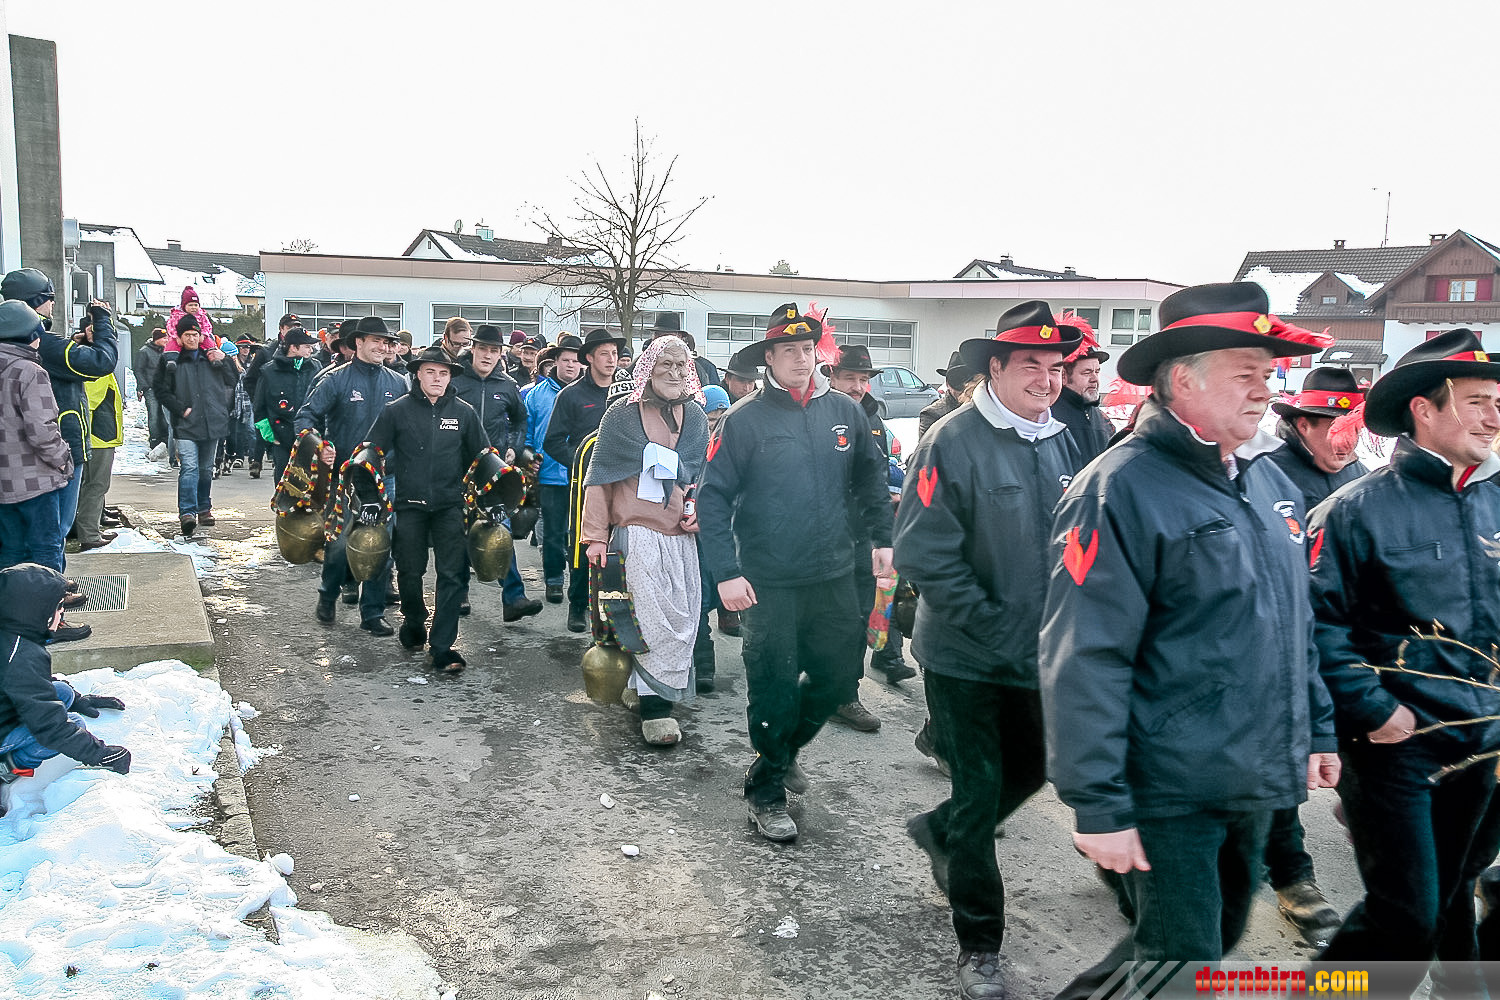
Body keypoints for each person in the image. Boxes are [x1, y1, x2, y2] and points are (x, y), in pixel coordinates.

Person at [1039, 281, 1340, 996]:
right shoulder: (1120, 488)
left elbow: (1292, 623)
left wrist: (1317, 728)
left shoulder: (1265, 483)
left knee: (1208, 938)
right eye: (1245, 372)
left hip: (1248, 773)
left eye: (1268, 372)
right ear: (1181, 380)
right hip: (1167, 784)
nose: (1265, 389)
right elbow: (1085, 655)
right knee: (1184, 960)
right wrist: (1099, 803)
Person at [897, 301, 1084, 1000]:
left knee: (1032, 772)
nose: (1046, 379)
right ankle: (980, 945)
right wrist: (995, 628)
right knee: (979, 794)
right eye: (1031, 364)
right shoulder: (950, 441)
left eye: (1055, 367)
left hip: (1040, 655)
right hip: (965, 658)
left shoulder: (1064, 441)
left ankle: (938, 831)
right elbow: (924, 553)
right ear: (994, 369)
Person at [1310, 329, 1500, 995]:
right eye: (1477, 402)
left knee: (1453, 888)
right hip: (1398, 746)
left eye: (1498, 403)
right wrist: (1374, 709)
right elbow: (1316, 627)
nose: (1494, 418)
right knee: (1405, 919)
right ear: (1424, 409)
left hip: (1486, 743)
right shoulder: (1353, 511)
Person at [698, 303, 892, 842]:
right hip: (768, 579)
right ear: (769, 358)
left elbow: (871, 479)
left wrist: (884, 539)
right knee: (774, 685)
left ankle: (780, 752)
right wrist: (726, 572)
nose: (802, 360)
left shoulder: (845, 411)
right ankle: (766, 791)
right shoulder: (744, 420)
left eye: (808, 349)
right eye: (789, 350)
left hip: (834, 571)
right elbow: (712, 500)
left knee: (836, 680)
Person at [1258, 365, 1369, 943]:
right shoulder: (1268, 477)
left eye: (1353, 428)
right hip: (1287, 649)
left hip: (1350, 651)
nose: (1345, 441)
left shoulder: (1362, 477)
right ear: (1303, 424)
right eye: (1333, 427)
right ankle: (1293, 878)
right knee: (1285, 773)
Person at [581, 335, 709, 744]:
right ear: (648, 368)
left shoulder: (696, 417)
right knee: (647, 621)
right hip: (636, 534)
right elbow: (599, 479)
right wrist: (595, 537)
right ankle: (657, 711)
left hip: (680, 539)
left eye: (681, 365)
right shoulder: (621, 415)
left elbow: (702, 477)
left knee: (682, 619)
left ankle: (644, 689)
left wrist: (700, 509)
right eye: (665, 364)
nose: (674, 372)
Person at [366, 347, 488, 672]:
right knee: (409, 571)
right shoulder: (396, 411)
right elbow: (371, 451)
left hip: (450, 504)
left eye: (443, 373)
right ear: (418, 373)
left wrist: (497, 489)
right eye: (431, 372)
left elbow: (482, 457)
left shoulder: (464, 413)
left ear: (450, 377)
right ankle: (414, 619)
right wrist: (367, 491)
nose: (437, 379)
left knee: (453, 574)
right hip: (409, 505)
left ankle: (442, 647)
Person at [294, 316, 408, 633]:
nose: (382, 347)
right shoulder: (335, 379)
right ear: (358, 342)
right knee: (340, 545)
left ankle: (372, 613)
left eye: (386, 342)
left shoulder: (399, 383)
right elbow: (305, 418)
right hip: (345, 477)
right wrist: (319, 445)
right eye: (376, 341)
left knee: (380, 544)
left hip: (385, 477)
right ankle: (328, 594)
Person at [824, 344, 912, 736]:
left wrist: (883, 535)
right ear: (832, 376)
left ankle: (845, 696)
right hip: (818, 538)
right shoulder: (815, 412)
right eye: (850, 378)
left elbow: (877, 476)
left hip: (861, 538)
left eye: (863, 379)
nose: (858, 387)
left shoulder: (872, 417)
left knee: (858, 618)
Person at [0, 563, 130, 791]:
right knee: (73, 724)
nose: (62, 613)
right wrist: (99, 754)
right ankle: (8, 766)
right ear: (36, 609)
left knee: (63, 692)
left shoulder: (11, 634)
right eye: (59, 606)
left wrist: (77, 699)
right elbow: (51, 728)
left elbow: (25, 682)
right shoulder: (21, 654)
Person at [451, 325, 541, 622]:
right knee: (459, 532)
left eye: (494, 350)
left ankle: (513, 598)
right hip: (458, 468)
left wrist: (514, 447)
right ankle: (459, 593)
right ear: (473, 349)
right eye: (483, 349)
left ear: (500, 353)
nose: (488, 355)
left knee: (500, 529)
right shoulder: (455, 380)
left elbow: (520, 420)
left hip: (494, 471)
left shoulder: (507, 385)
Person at [0, 302, 78, 624]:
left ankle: (12, 622)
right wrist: (63, 460)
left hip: (4, 485)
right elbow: (42, 431)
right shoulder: (30, 371)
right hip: (37, 482)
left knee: (11, 552)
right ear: (30, 335)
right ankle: (49, 620)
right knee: (46, 550)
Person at [544, 328, 624, 633]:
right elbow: (552, 441)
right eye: (604, 354)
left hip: (623, 482)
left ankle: (615, 607)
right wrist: (580, 463)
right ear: (589, 358)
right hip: (585, 486)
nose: (611, 359)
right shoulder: (571, 395)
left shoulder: (627, 392)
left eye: (614, 353)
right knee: (583, 542)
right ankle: (577, 604)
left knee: (619, 543)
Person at [154, 314, 237, 537]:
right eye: (187, 335)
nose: (191, 339)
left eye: (195, 334)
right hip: (186, 424)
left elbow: (232, 380)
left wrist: (226, 360)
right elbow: (160, 389)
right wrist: (180, 409)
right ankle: (187, 512)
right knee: (189, 467)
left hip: (212, 422)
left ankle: (204, 508)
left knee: (206, 469)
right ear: (179, 338)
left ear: (201, 336)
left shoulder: (211, 357)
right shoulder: (171, 360)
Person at [527, 335, 583, 604]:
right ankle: (554, 580)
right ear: (555, 362)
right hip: (550, 473)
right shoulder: (535, 395)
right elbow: (527, 432)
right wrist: (529, 457)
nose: (570, 365)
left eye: (575, 360)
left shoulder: (589, 392)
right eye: (566, 360)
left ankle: (581, 581)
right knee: (552, 532)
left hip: (583, 476)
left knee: (581, 534)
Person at [253, 326, 323, 484]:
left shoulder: (316, 367)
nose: (311, 350)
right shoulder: (269, 371)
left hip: (311, 436)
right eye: (307, 346)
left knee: (310, 483)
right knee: (283, 482)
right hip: (281, 436)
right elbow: (259, 406)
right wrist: (270, 435)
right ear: (293, 347)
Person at [76, 323, 123, 551]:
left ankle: (86, 528)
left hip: (97, 433)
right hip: (98, 435)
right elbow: (89, 401)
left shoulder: (90, 359)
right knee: (96, 484)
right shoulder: (96, 364)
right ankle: (89, 533)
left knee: (89, 484)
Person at [1051, 317, 1114, 466]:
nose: (1094, 379)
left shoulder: (1102, 419)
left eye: (1097, 372)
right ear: (1064, 376)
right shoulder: (1048, 417)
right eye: (1087, 373)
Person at [133, 327, 172, 461]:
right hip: (151, 389)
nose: (166, 340)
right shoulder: (144, 352)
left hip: (165, 389)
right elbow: (138, 370)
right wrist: (144, 386)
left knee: (164, 415)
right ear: (156, 339)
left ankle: (165, 439)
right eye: (164, 338)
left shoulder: (166, 352)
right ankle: (154, 439)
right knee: (154, 415)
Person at [918, 352, 975, 441]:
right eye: (957, 380)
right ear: (948, 384)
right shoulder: (931, 414)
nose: (964, 389)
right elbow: (928, 447)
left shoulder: (983, 410)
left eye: (969, 380)